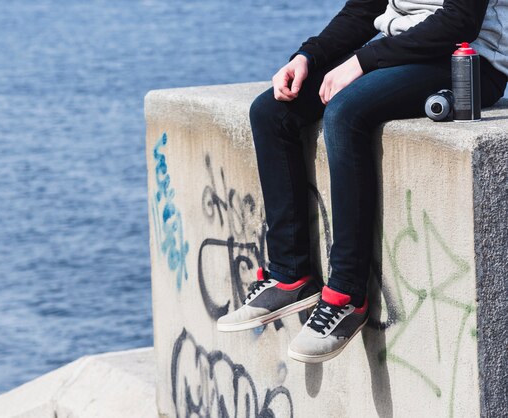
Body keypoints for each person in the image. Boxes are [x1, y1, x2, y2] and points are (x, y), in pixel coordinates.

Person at [217, 0, 507, 363]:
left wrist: (361, 61)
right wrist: (308, 56)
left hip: (468, 62)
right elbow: (363, 9)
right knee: (271, 112)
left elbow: (458, 22)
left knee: (344, 113)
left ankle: (346, 295)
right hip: (400, 53)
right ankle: (289, 276)